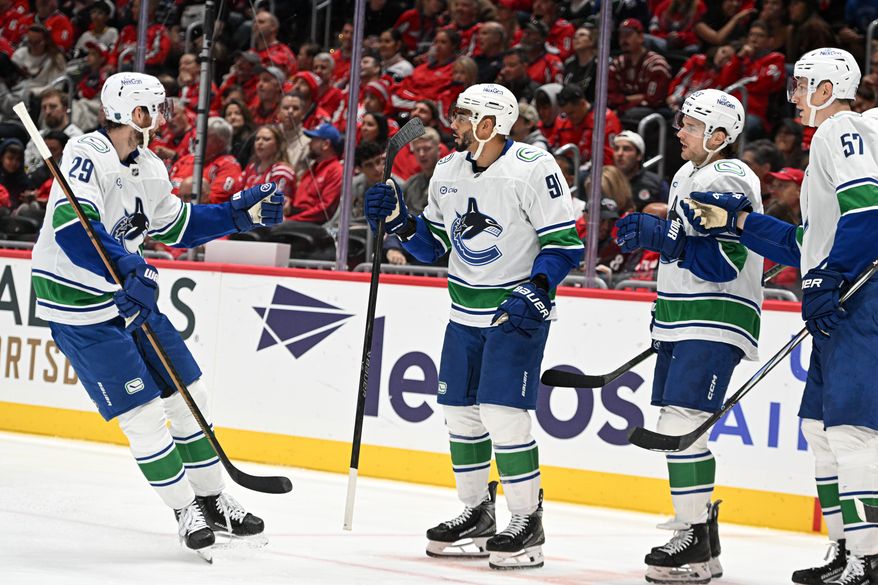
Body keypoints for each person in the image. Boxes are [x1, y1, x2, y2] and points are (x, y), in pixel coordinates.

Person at [29, 72, 284, 555]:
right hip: (79, 305)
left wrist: (236, 216)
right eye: (155, 108)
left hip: (125, 295)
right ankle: (183, 508)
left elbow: (177, 225)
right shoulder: (87, 153)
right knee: (144, 417)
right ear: (134, 114)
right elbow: (70, 228)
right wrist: (130, 268)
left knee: (192, 395)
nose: (163, 117)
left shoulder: (148, 165)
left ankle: (211, 499)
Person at [363, 83, 583, 570]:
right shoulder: (447, 170)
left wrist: (538, 289)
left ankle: (527, 521)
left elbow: (565, 245)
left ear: (489, 125)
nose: (454, 124)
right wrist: (398, 220)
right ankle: (477, 512)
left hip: (514, 311)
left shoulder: (532, 169)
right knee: (460, 414)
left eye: (463, 116)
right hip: (462, 313)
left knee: (503, 415)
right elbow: (432, 245)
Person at [682, 48, 878, 585]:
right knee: (820, 428)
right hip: (846, 296)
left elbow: (868, 214)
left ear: (825, 88)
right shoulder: (834, 143)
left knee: (856, 434)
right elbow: (809, 244)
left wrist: (825, 280)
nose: (792, 94)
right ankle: (845, 549)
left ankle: (870, 559)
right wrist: (742, 221)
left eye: (800, 84)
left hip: (863, 299)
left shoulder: (842, 131)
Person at [615, 88, 763, 584]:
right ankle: (700, 538)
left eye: (691, 125)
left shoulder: (730, 175)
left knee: (682, 424)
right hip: (683, 316)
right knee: (675, 424)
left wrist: (665, 239)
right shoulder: (686, 174)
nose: (679, 131)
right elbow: (686, 254)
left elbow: (725, 262)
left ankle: (694, 538)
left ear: (720, 136)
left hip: (715, 314)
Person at [612, 130, 669, 210]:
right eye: (616, 149)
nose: (620, 153)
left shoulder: (657, 184)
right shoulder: (606, 180)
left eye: (626, 149)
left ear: (639, 155)